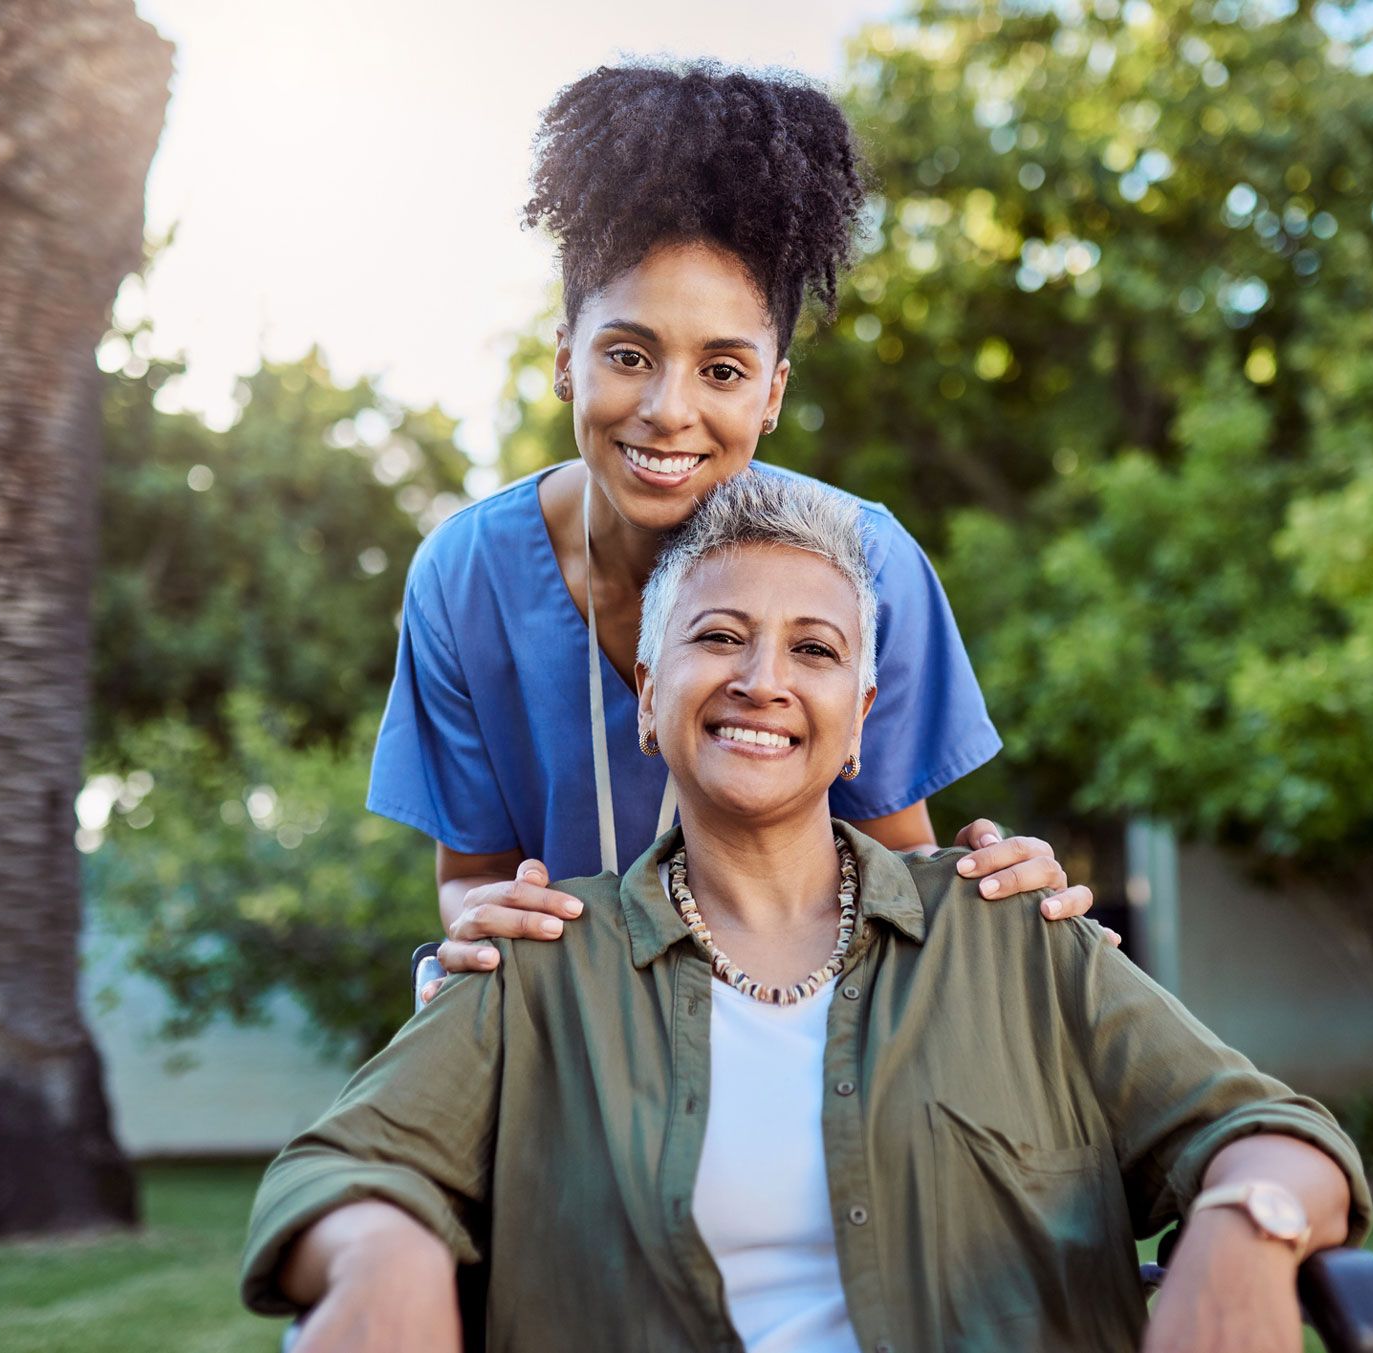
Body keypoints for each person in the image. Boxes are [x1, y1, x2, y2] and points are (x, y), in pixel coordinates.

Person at [243, 474, 1371, 1352]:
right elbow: (336, 1168)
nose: (762, 680)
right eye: (719, 637)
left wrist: (1244, 1230)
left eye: (815, 649)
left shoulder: (1009, 929)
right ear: (649, 699)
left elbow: (1268, 1132)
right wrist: (383, 1252)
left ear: (862, 717)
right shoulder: (543, 964)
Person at [364, 62, 1108, 989]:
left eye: (722, 369)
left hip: (806, 1030)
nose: (669, 410)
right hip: (579, 1045)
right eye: (628, 355)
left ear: (773, 393)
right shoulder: (465, 576)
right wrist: (483, 921)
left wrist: (1005, 896)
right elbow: (470, 876)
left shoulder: (862, 564)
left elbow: (901, 874)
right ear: (565, 359)